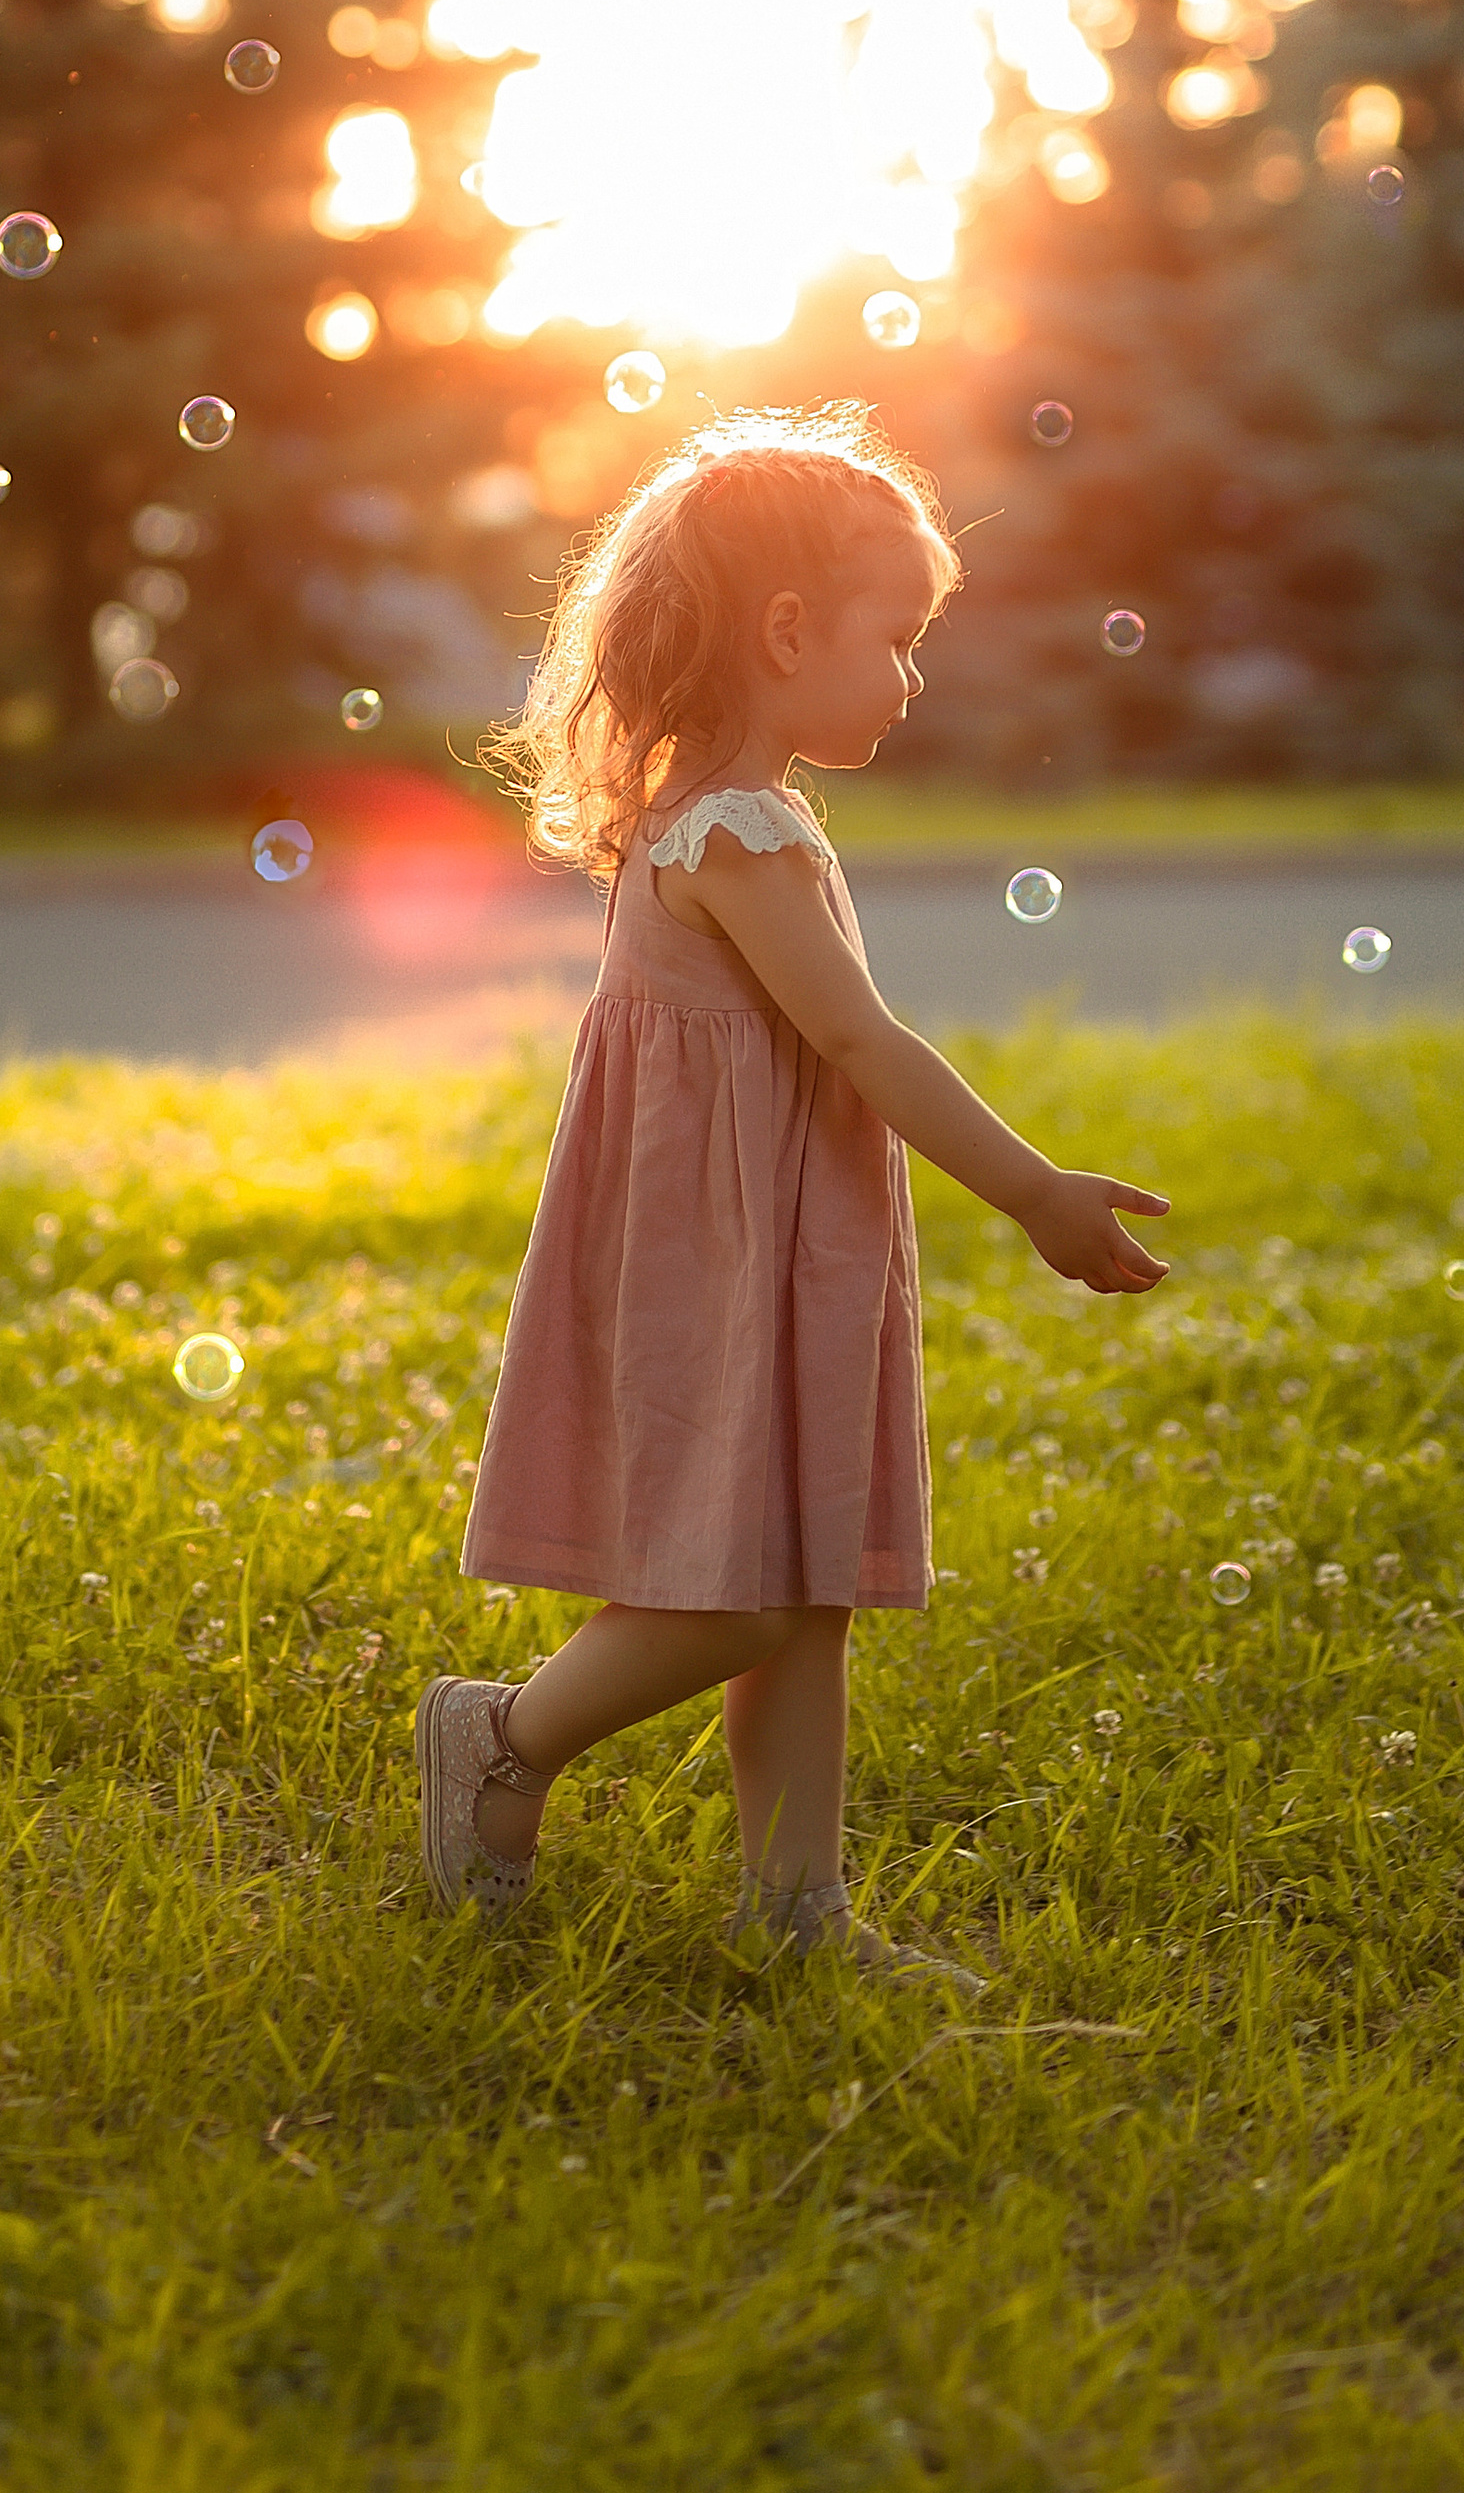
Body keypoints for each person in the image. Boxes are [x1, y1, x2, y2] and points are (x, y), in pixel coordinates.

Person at [417, 402, 1169, 1972]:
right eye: (894, 639)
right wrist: (1032, 1189)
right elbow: (857, 1036)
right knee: (740, 1593)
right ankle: (503, 1736)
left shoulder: (721, 815)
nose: (911, 677)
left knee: (804, 1582)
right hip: (726, 1248)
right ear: (782, 630)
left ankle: (796, 1908)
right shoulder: (735, 831)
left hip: (776, 1235)